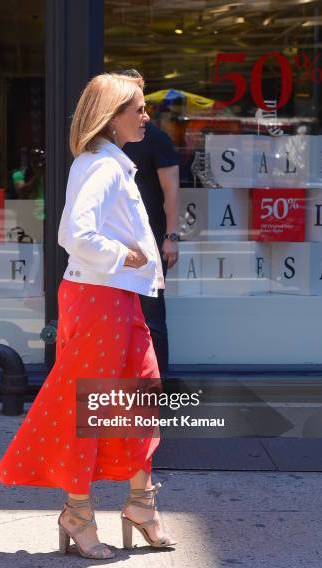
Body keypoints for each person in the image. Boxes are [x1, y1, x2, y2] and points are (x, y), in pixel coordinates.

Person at [0, 72, 176, 560]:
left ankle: (141, 502)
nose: (144, 116)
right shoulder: (101, 165)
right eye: (136, 108)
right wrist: (125, 256)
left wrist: (127, 265)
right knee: (93, 405)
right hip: (101, 296)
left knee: (140, 397)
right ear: (112, 116)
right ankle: (78, 512)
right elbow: (74, 233)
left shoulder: (108, 161)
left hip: (113, 296)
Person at [123, 102, 180, 378]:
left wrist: (171, 237)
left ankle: (158, 388)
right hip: (115, 243)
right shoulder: (110, 142)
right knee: (119, 317)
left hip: (151, 242)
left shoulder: (157, 139)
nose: (143, 116)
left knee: (152, 317)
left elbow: (172, 191)